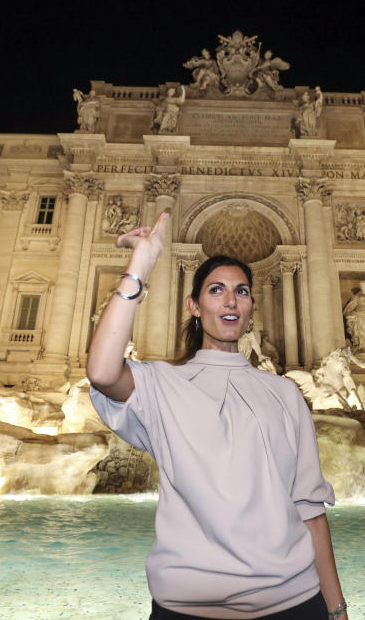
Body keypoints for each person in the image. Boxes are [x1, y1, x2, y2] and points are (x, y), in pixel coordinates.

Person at [87, 212, 348, 620]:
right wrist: (141, 264)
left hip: (295, 603)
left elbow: (310, 510)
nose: (230, 300)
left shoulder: (285, 392)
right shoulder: (162, 384)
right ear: (194, 305)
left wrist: (336, 607)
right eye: (216, 290)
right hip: (186, 609)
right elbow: (102, 371)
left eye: (242, 291)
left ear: (252, 308)